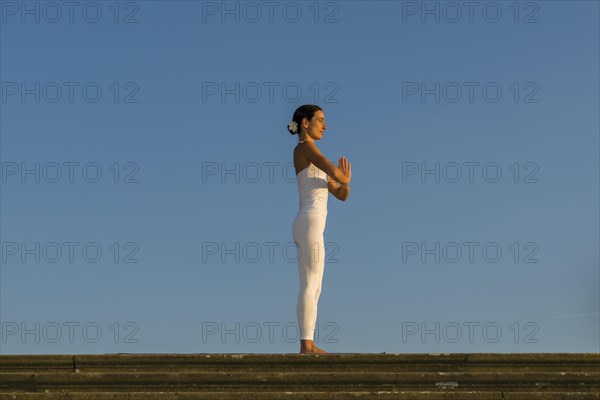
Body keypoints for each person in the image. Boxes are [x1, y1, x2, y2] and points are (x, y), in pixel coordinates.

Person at [287, 104, 351, 354]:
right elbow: (333, 171)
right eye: (320, 120)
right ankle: (306, 345)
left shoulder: (310, 154)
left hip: (310, 223)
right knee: (310, 283)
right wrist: (341, 176)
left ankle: (309, 342)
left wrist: (346, 182)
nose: (325, 126)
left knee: (315, 285)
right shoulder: (305, 148)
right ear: (305, 123)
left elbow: (341, 193)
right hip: (309, 221)